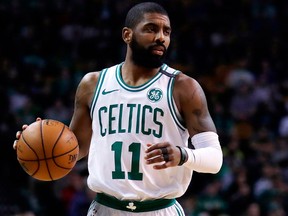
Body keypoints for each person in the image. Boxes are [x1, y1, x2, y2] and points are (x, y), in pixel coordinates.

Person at [14, 2, 223, 215]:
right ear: (127, 35)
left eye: (166, 31)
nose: (161, 37)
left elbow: (215, 160)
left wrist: (183, 155)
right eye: (151, 29)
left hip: (159, 210)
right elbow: (74, 150)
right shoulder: (92, 84)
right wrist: (38, 142)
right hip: (105, 208)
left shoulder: (184, 87)